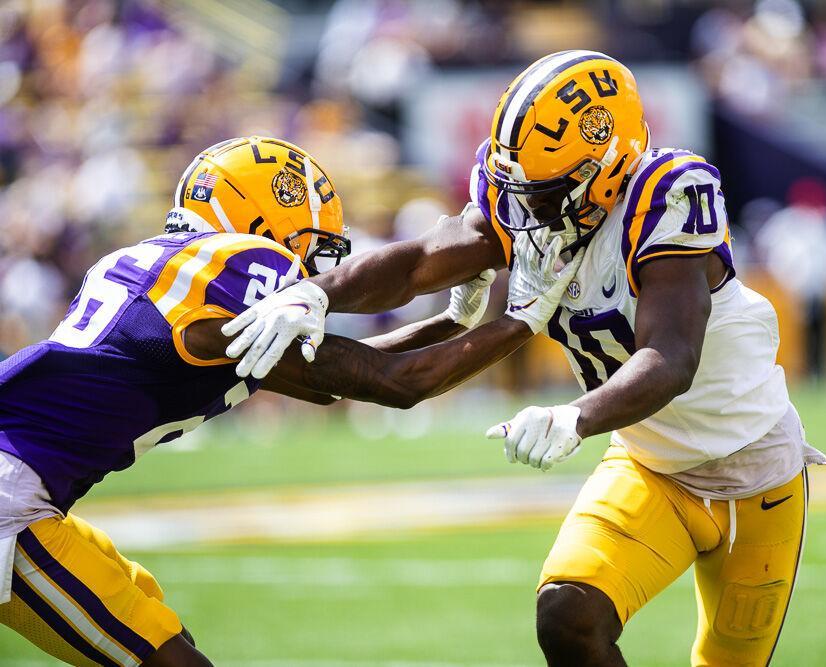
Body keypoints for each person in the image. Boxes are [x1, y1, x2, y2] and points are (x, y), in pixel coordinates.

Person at [229, 52, 826, 666]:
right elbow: (418, 262)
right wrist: (314, 296)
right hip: (650, 466)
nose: (526, 211)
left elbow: (671, 357)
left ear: (606, 165)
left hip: (755, 474)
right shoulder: (531, 198)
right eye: (519, 189)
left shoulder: (665, 195)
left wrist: (576, 417)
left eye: (544, 192)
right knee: (569, 616)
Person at [0, 135, 580, 666]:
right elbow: (394, 383)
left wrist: (453, 321)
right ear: (259, 214)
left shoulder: (163, 270)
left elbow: (328, 379)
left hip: (29, 488)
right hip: (11, 497)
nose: (312, 258)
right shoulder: (234, 263)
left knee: (164, 636)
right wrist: (522, 319)